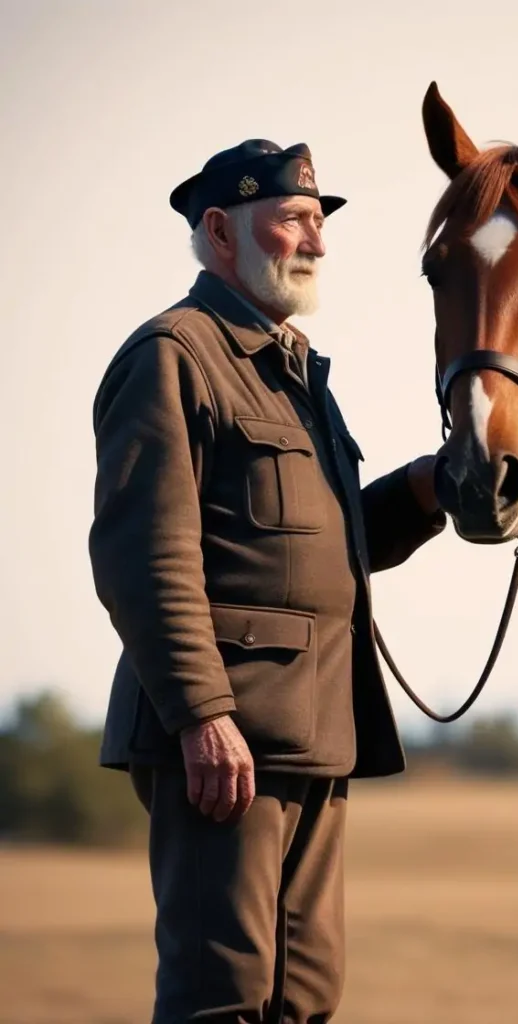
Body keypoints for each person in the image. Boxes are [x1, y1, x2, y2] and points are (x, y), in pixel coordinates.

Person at [87, 138, 445, 1023]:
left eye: (319, 223)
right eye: (293, 220)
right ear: (219, 230)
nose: (316, 242)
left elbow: (325, 542)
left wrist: (430, 489)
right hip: (227, 744)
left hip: (317, 733)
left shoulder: (293, 369)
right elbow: (142, 557)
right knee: (224, 998)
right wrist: (203, 715)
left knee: (306, 1000)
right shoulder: (174, 354)